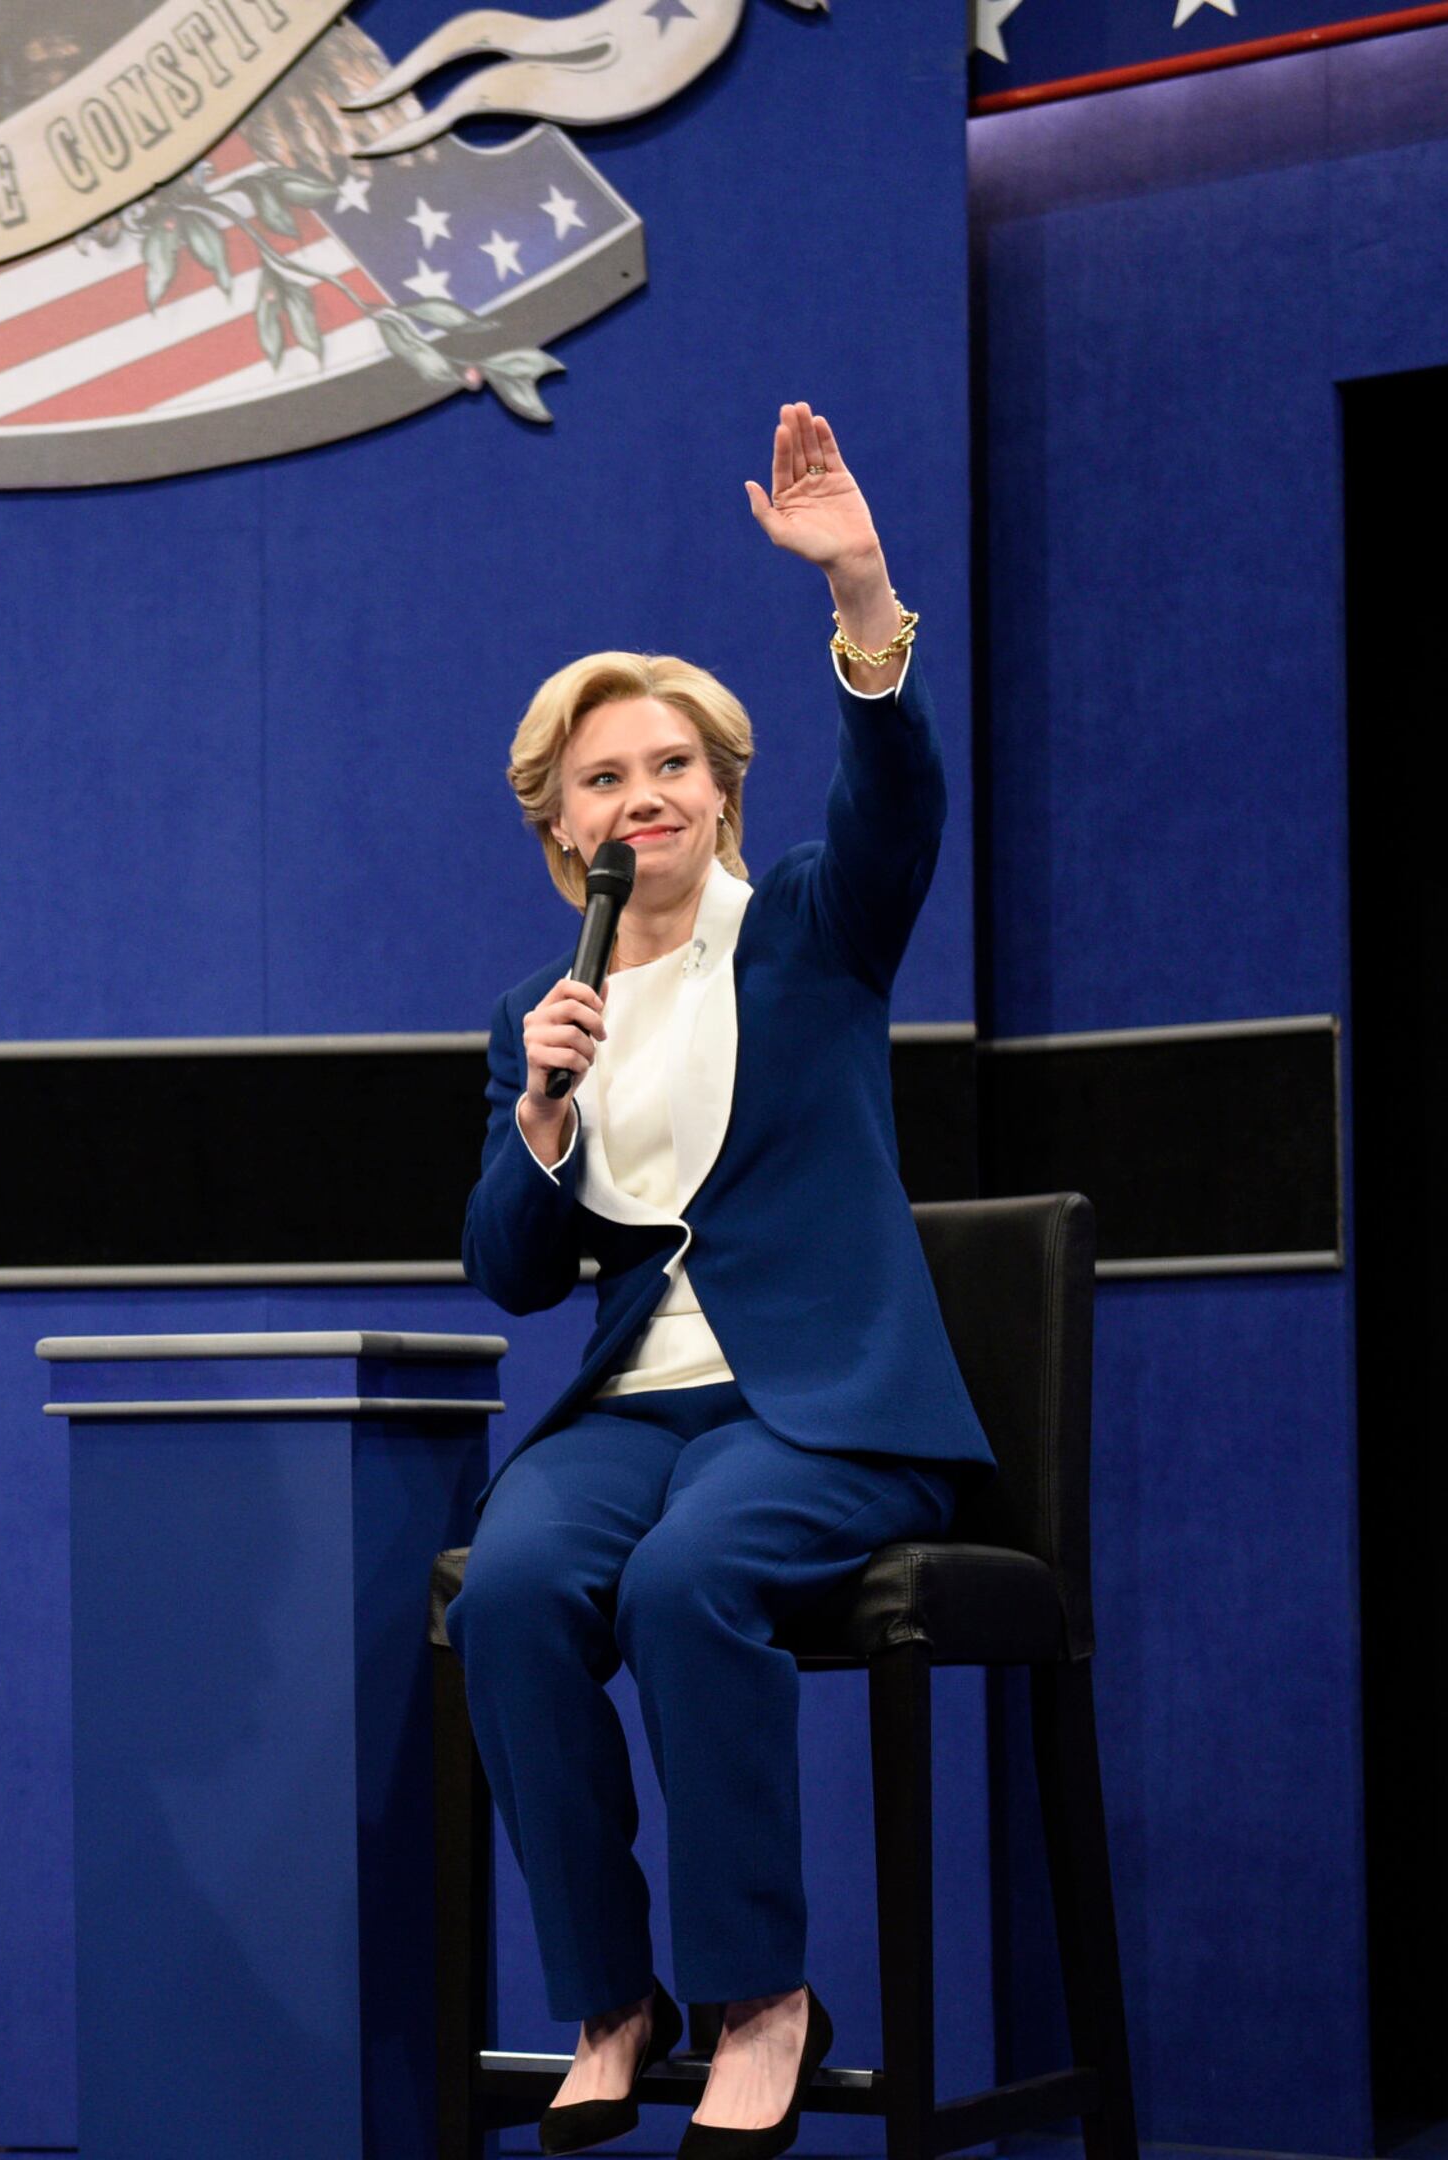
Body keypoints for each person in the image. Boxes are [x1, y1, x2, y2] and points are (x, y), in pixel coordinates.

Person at [445, 403, 988, 2160]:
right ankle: (615, 2000)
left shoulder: (816, 927)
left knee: (689, 1588)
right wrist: (537, 1114)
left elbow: (898, 796)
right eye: (604, 778)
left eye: (670, 765)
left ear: (723, 793)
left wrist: (861, 593)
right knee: (514, 1592)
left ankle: (763, 1997)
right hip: (638, 1404)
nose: (642, 796)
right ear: (565, 833)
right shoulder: (557, 1009)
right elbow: (513, 1274)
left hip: (821, 1407)